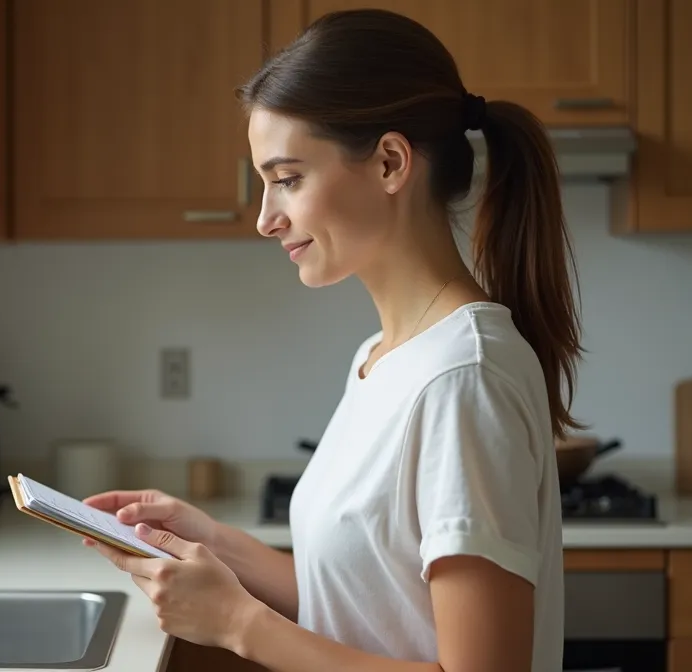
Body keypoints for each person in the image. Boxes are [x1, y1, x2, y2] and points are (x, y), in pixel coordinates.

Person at [82, 8, 581, 672]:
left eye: (287, 178)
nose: (265, 218)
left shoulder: (463, 379)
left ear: (390, 163)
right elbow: (369, 604)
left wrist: (238, 623)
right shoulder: (383, 359)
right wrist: (214, 544)